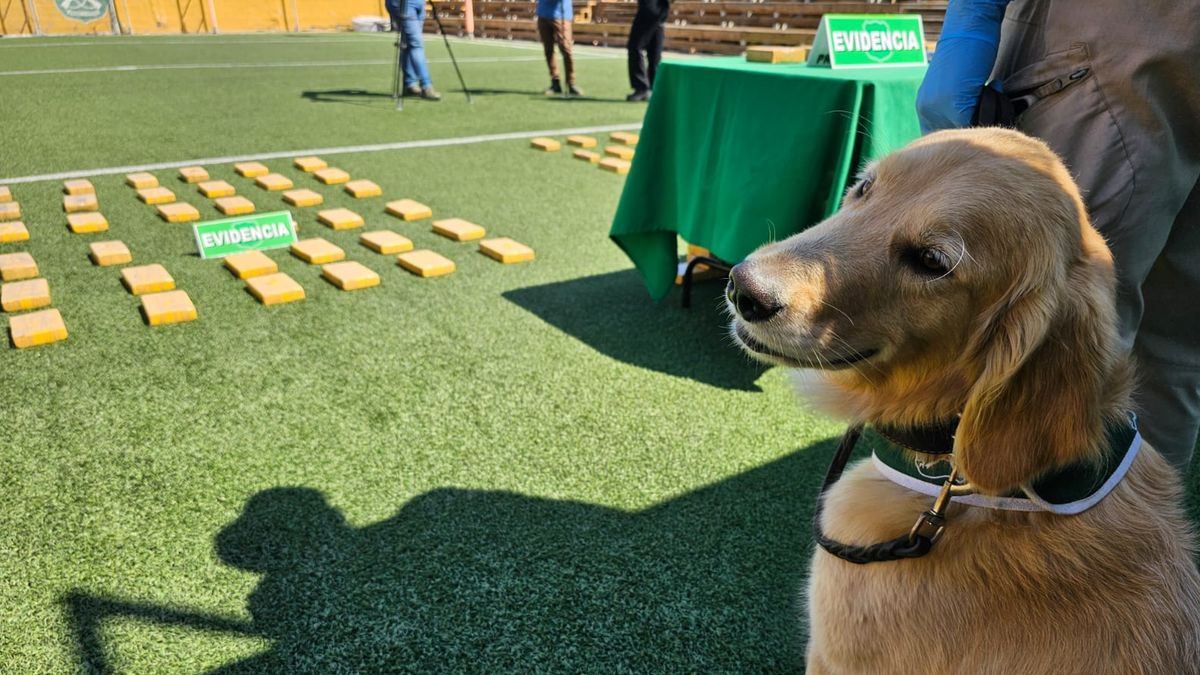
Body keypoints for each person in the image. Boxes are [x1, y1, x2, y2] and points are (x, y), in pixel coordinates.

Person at [916, 0, 1200, 469]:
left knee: (1046, 341)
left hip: (1114, 31)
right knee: (1168, 348)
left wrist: (971, 15)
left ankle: (1008, 532)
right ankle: (1135, 536)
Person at [385, 0, 440, 101]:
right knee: (416, 44)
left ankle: (409, 84)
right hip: (402, 3)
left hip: (418, 2)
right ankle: (426, 85)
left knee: (408, 42)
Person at [625, 0, 669, 101]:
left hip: (649, 8)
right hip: (661, 11)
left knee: (635, 47)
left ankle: (641, 87)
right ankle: (655, 87)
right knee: (654, 50)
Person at [536, 0, 582, 96]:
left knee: (565, 48)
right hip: (543, 13)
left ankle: (571, 82)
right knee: (548, 49)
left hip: (561, 15)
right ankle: (555, 82)